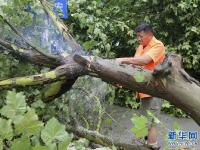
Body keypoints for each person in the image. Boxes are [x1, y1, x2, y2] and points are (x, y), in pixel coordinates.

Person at [116, 22, 165, 150]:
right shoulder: (141, 46)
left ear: (149, 35)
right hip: (144, 89)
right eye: (137, 36)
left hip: (155, 89)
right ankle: (143, 143)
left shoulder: (158, 45)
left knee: (152, 120)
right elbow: (135, 63)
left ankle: (152, 145)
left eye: (140, 36)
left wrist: (123, 59)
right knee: (144, 118)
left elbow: (144, 61)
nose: (138, 39)